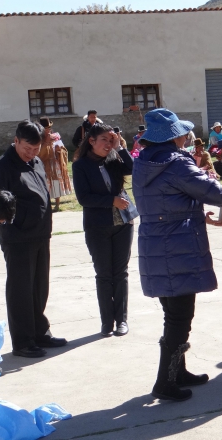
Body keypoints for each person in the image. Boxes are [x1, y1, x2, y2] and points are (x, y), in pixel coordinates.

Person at [133, 109, 222, 401]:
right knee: (180, 317)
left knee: (173, 313)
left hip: (156, 244)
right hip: (177, 246)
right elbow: (218, 194)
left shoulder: (144, 163)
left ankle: (177, 371)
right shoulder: (176, 164)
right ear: (176, 136)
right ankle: (165, 383)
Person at [0, 120, 67, 358]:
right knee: (21, 290)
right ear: (16, 140)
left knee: (39, 288)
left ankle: (40, 332)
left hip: (40, 234)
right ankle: (23, 341)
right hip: (18, 238)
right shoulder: (1, 169)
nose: (30, 154)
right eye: (26, 149)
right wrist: (11, 227)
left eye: (35, 149)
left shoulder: (37, 162)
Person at [72, 124, 135, 337]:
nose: (108, 145)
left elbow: (133, 168)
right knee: (104, 274)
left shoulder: (113, 159)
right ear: (91, 140)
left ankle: (122, 321)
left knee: (120, 273)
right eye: (104, 140)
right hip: (98, 226)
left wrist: (121, 147)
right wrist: (111, 201)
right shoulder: (80, 165)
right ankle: (107, 322)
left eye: (111, 140)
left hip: (123, 224)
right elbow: (84, 198)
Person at [38, 117, 72, 211]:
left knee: (56, 183)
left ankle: (57, 204)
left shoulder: (55, 137)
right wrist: (46, 144)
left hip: (55, 164)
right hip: (43, 165)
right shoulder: (38, 140)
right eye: (46, 128)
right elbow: (38, 154)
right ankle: (47, 204)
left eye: (49, 128)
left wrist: (59, 151)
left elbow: (64, 151)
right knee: (46, 185)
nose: (48, 130)